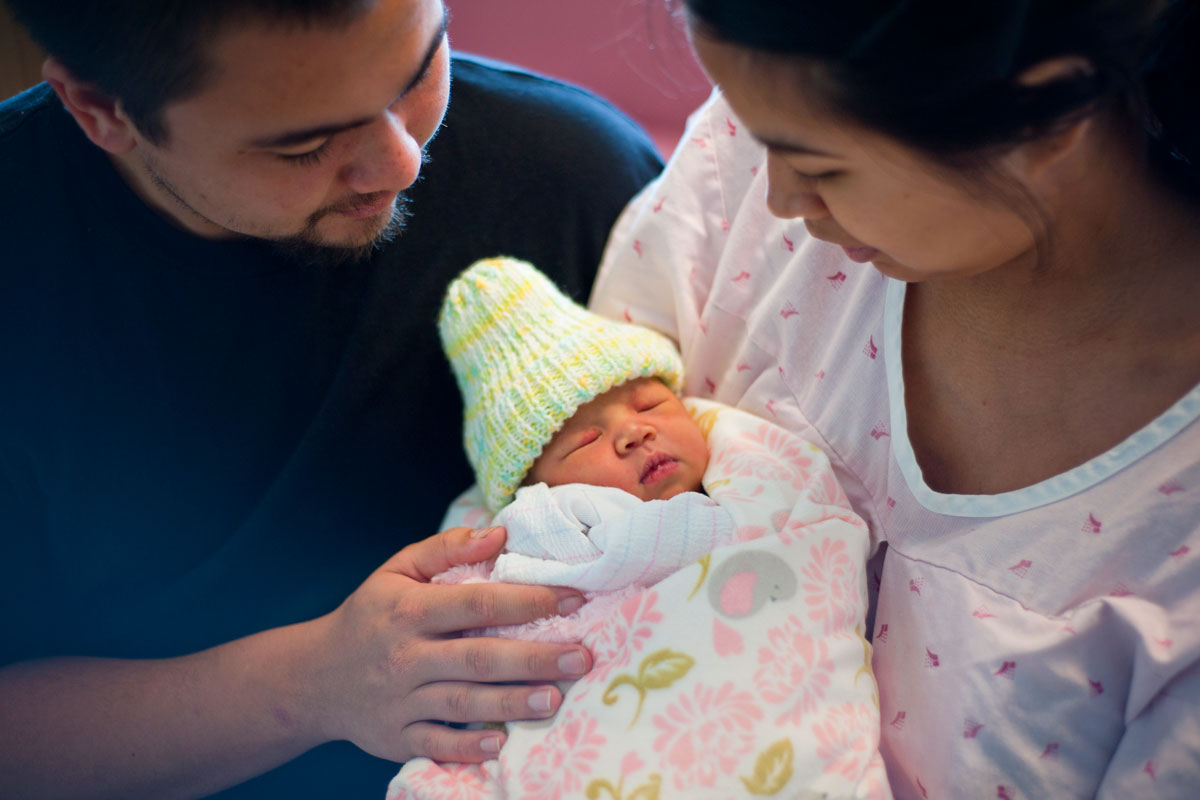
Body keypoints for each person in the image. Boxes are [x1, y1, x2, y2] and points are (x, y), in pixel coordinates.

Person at [0, 0, 664, 796]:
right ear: (101, 110)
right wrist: (308, 686)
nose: (402, 160)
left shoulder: (575, 176)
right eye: (306, 147)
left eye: (421, 69)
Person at [589, 0, 1200, 797]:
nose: (778, 198)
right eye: (752, 130)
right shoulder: (758, 147)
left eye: (822, 166)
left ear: (1044, 121)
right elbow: (549, 475)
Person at [386, 256, 887, 798]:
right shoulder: (526, 550)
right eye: (583, 440)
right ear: (534, 492)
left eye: (649, 402)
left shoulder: (767, 481)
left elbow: (816, 540)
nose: (633, 433)